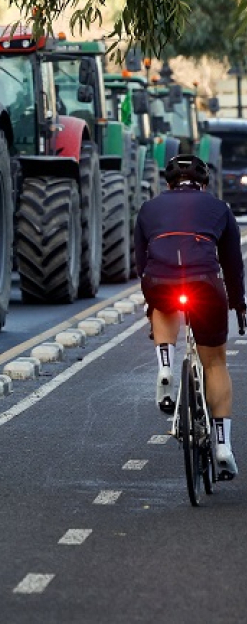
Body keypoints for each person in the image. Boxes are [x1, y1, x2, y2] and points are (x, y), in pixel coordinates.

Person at [135, 153, 245, 479]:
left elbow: (142, 263)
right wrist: (238, 304)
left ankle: (166, 370)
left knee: (162, 303)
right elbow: (233, 266)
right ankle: (223, 447)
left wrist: (149, 299)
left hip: (159, 281)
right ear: (205, 182)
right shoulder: (220, 209)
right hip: (205, 284)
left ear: (167, 183)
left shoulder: (148, 208)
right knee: (215, 364)